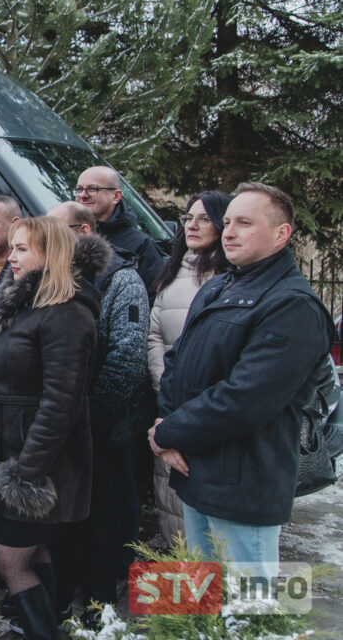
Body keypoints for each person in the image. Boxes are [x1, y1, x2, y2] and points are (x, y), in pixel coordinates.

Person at [150, 183, 333, 577]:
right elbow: (176, 363)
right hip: (194, 473)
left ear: (281, 234)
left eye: (244, 223)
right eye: (228, 221)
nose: (228, 231)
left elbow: (245, 398)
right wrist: (165, 425)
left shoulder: (292, 304)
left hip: (243, 488)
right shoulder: (219, 286)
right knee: (199, 605)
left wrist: (169, 432)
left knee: (246, 614)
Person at [0, 216, 99, 640]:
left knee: (9, 558)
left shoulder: (67, 313)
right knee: (35, 547)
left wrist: (28, 469)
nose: (13, 254)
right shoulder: (27, 303)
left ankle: (44, 633)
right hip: (9, 447)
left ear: (52, 254)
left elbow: (62, 402)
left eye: (24, 248)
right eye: (15, 246)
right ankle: (40, 626)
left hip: (40, 460)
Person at [48, 201, 149, 619]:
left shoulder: (122, 280)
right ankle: (62, 592)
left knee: (104, 522)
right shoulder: (54, 277)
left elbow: (126, 360)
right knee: (66, 521)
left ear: (84, 231)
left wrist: (91, 420)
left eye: (57, 231)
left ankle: (99, 601)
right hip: (65, 427)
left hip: (104, 430)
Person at [147, 191, 231, 544]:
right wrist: (166, 386)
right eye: (187, 218)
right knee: (169, 500)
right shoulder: (173, 270)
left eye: (203, 218)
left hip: (208, 409)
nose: (192, 225)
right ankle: (183, 587)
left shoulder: (229, 277)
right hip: (167, 405)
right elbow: (153, 335)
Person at [75, 165, 164, 297]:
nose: (83, 195)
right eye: (79, 189)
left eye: (93, 189)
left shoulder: (140, 245)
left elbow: (150, 299)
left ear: (116, 196)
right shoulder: (69, 235)